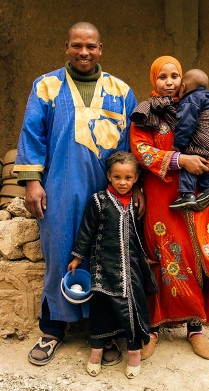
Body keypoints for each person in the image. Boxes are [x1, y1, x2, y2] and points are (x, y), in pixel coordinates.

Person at [14, 22, 140, 367]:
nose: (84, 52)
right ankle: (53, 329)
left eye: (91, 46)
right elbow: (32, 134)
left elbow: (131, 145)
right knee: (60, 252)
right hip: (60, 187)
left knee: (105, 259)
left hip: (109, 191)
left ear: (101, 48)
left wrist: (134, 189)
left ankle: (101, 332)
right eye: (76, 46)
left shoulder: (120, 90)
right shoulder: (47, 86)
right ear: (66, 47)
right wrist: (31, 182)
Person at [129, 56, 209, 360]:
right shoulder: (146, 114)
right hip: (160, 198)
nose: (169, 82)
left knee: (198, 258)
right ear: (153, 80)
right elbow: (141, 151)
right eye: (162, 77)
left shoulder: (198, 104)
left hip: (197, 199)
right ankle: (154, 328)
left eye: (175, 75)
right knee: (160, 258)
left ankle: (195, 328)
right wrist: (179, 160)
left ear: (182, 79)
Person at [67, 151, 156, 379]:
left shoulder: (137, 203)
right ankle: (96, 353)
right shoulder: (99, 201)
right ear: (109, 176)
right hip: (103, 267)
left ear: (135, 178)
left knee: (133, 311)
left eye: (128, 178)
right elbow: (86, 230)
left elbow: (142, 232)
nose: (122, 182)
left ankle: (134, 353)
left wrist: (146, 255)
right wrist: (77, 257)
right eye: (117, 177)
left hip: (131, 268)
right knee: (102, 310)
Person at [169, 68, 209, 211]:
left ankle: (187, 194)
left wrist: (178, 146)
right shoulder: (208, 99)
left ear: (183, 86)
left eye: (174, 77)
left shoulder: (190, 100)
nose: (170, 83)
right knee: (201, 160)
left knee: (190, 154)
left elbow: (186, 123)